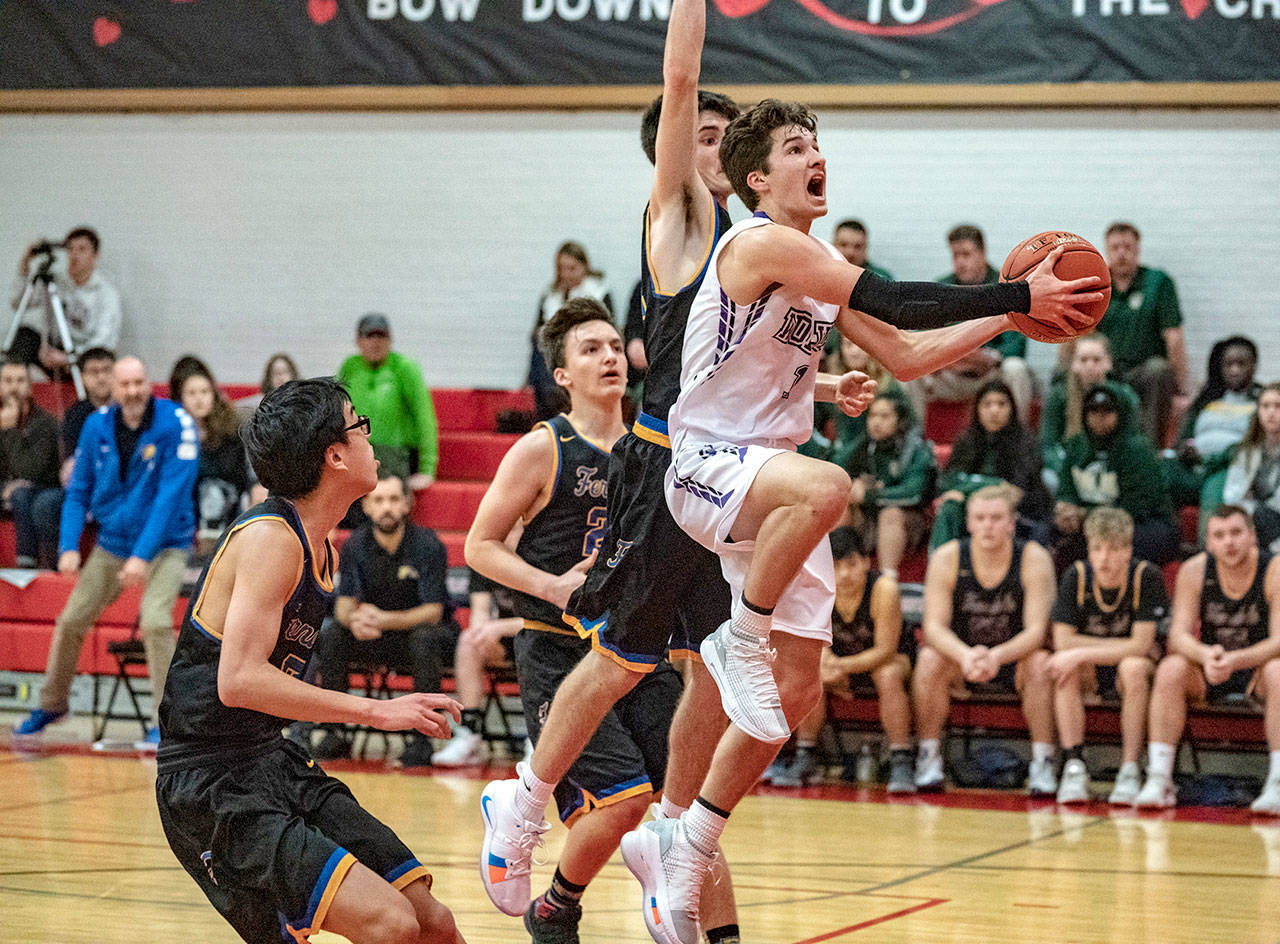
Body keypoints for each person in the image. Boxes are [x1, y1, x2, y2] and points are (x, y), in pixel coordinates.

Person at [627, 99, 1098, 941]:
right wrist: (1019, 285)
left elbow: (908, 354)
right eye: (796, 146)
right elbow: (899, 299)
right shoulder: (758, 242)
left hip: (769, 490)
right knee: (832, 484)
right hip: (706, 467)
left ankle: (684, 842)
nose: (817, 157)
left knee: (794, 694)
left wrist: (1012, 318)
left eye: (818, 144)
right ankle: (741, 634)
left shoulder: (808, 267)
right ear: (757, 179)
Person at [475, 4, 748, 941]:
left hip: (719, 484)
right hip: (620, 549)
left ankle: (687, 889)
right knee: (629, 769)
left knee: (709, 737)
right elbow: (679, 82)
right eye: (704, 138)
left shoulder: (752, 244)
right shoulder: (681, 214)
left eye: (728, 136)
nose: (718, 148)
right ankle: (530, 825)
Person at [154, 377, 465, 943]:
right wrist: (375, 712)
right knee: (391, 923)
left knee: (431, 920)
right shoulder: (272, 538)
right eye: (359, 424)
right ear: (335, 455)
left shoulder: (322, 544)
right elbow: (240, 680)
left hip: (271, 759)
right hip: (212, 783)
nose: (370, 437)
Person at [469, 299, 703, 943]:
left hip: (636, 646)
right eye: (589, 349)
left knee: (687, 795)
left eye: (612, 345)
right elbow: (480, 546)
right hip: (557, 650)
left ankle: (691, 918)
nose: (608, 357)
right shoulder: (543, 447)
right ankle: (556, 904)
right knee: (625, 798)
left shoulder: (652, 445)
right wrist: (553, 586)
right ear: (562, 374)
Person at [12, 356, 197, 747]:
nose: (132, 392)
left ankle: (167, 722)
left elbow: (170, 496)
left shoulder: (175, 422)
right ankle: (53, 702)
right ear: (113, 388)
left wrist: (142, 556)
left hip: (166, 544)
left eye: (139, 383)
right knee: (71, 619)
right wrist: (67, 546)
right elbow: (77, 491)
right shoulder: (96, 426)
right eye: (125, 385)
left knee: (155, 622)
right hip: (114, 542)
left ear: (149, 384)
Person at [909, 485, 1058, 794]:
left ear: (1011, 523)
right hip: (964, 658)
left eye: (996, 518)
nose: (988, 525)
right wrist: (965, 656)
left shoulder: (1034, 558)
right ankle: (928, 755)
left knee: (1041, 662)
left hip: (1014, 657)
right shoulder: (948, 557)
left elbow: (1036, 632)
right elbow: (933, 627)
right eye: (980, 518)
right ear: (969, 523)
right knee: (928, 659)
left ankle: (1043, 761)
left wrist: (996, 656)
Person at [1134, 504, 1280, 815]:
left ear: (1252, 536)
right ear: (1209, 542)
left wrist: (1236, 660)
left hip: (1257, 667)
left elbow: (1279, 641)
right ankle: (1160, 777)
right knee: (1171, 668)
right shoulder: (1195, 570)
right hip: (1212, 665)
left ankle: (1278, 781)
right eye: (1220, 535)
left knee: (1278, 670)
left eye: (1237, 533)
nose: (1229, 542)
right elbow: (1178, 636)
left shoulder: (1274, 569)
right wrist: (1205, 655)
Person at [311, 474, 456, 769]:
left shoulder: (429, 545)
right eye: (378, 500)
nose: (386, 507)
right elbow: (342, 607)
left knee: (424, 636)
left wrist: (383, 619)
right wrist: (355, 622)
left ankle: (421, 739)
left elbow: (433, 611)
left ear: (406, 504)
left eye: (393, 499)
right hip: (375, 636)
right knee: (332, 633)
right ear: (365, 506)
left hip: (422, 639)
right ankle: (334, 730)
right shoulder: (354, 545)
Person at [769, 526, 914, 792]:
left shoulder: (884, 589)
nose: (845, 574)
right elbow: (813, 641)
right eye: (836, 566)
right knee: (811, 673)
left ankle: (901, 757)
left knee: (888, 674)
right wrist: (827, 665)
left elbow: (886, 651)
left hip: (885, 660)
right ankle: (806, 754)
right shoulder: (819, 588)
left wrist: (840, 667)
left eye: (852, 564)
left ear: (866, 562)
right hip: (839, 662)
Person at [1047, 507, 1168, 805]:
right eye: (1097, 549)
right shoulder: (1075, 575)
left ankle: (1129, 768)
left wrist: (1080, 651)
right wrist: (1079, 654)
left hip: (1129, 668)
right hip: (1093, 667)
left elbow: (1141, 645)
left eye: (1114, 549)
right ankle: (1074, 765)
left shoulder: (1145, 576)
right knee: (1065, 666)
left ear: (1128, 550)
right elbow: (1062, 640)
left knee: (1133, 667)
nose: (1104, 558)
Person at [904, 224, 1035, 424]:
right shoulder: (941, 287)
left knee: (1016, 369)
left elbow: (1017, 345)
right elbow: (919, 336)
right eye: (955, 256)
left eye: (966, 255)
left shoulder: (1006, 287)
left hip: (990, 375)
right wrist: (940, 358)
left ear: (983, 254)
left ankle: (1018, 442)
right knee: (908, 373)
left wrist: (987, 358)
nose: (960, 262)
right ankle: (915, 445)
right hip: (950, 374)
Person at [1053, 384, 1180, 569]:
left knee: (1118, 541)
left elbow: (1134, 507)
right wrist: (1065, 509)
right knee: (1047, 535)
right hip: (1090, 525)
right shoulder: (1075, 446)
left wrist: (1084, 516)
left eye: (1107, 411)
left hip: (1143, 524)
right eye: (1093, 411)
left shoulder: (1138, 450)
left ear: (1120, 413)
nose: (1100, 417)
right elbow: (1066, 490)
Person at [1088, 222, 1190, 446]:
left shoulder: (1159, 283)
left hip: (1144, 373)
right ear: (1106, 250)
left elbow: (1174, 338)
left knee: (1158, 369)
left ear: (1138, 249)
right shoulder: (1095, 286)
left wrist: (1181, 389)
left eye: (1127, 247)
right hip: (1108, 371)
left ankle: (1149, 451)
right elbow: (1084, 336)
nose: (1121, 253)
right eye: (1115, 248)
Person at [930, 379, 1050, 549]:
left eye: (1002, 404)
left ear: (1012, 409)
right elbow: (948, 481)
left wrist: (968, 486)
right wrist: (970, 489)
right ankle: (940, 567)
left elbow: (1015, 489)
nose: (995, 411)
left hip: (1019, 509)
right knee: (950, 506)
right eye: (987, 405)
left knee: (992, 509)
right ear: (977, 409)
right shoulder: (965, 440)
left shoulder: (1026, 441)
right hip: (970, 507)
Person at [430, 569, 523, 767]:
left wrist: (498, 627)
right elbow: (479, 615)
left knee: (540, 644)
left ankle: (539, 739)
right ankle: (469, 734)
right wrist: (483, 631)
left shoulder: (542, 551)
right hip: (505, 640)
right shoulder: (485, 555)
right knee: (469, 641)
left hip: (545, 636)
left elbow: (549, 620)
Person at [337, 313, 438, 489]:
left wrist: (427, 469)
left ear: (390, 340)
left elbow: (424, 416)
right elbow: (337, 411)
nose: (375, 342)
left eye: (381, 336)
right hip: (358, 451)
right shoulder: (350, 366)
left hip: (396, 454)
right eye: (369, 336)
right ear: (358, 341)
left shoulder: (404, 367)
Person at [841, 392, 935, 578]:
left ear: (900, 420)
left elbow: (914, 492)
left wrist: (869, 495)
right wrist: (851, 485)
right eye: (873, 415)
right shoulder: (864, 444)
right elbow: (836, 468)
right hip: (869, 520)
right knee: (840, 504)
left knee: (890, 514)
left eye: (884, 416)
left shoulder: (916, 447)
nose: (876, 422)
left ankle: (886, 581)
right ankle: (837, 569)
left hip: (908, 523)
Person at [1164, 335, 1260, 515]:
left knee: (1212, 487)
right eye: (1228, 364)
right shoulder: (1206, 400)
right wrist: (1185, 450)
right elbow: (1182, 439)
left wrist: (1212, 460)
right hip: (1193, 466)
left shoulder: (1262, 401)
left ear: (1253, 365)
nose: (1234, 370)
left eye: (1241, 364)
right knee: (1161, 475)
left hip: (1228, 468)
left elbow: (1254, 445)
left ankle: (1209, 544)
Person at [7, 227, 122, 373]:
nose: (75, 255)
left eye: (82, 249)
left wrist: (68, 358)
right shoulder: (55, 283)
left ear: (95, 255)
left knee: (100, 357)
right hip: (54, 351)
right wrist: (24, 267)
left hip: (84, 358)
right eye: (70, 249)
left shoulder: (106, 293)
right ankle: (13, 386)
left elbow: (104, 342)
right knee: (24, 336)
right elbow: (18, 303)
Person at [1039, 334, 1140, 495]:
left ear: (1108, 362)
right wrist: (1067, 469)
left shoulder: (1125, 396)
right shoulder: (1058, 396)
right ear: (1073, 363)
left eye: (1096, 360)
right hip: (1069, 464)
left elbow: (1133, 438)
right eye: (1083, 360)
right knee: (1048, 478)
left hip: (1113, 464)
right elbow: (1048, 445)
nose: (1090, 365)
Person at [170, 356, 253, 551]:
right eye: (191, 393)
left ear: (213, 394)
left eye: (205, 392)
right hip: (191, 509)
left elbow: (241, 473)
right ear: (181, 398)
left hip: (231, 504)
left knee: (213, 491)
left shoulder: (231, 426)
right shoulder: (175, 433)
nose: (199, 399)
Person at [530, 242, 614, 420]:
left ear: (584, 267)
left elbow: (606, 329)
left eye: (572, 268)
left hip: (585, 350)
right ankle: (548, 410)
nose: (566, 274)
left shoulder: (598, 293)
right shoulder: (551, 295)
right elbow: (539, 330)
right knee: (539, 346)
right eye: (562, 269)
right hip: (555, 352)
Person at [0, 358, 62, 568]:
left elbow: (31, 470)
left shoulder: (44, 423)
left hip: (44, 486)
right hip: (8, 486)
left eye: (20, 381)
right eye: (7, 381)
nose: (14, 387)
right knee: (18, 492)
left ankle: (28, 564)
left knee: (24, 495)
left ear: (30, 386)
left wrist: (8, 431)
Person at [1223, 383, 1280, 552]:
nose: (1271, 412)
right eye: (1265, 406)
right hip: (1255, 521)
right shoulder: (1247, 450)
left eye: (1278, 406)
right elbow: (1232, 496)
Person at [58, 347, 115, 477]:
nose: (101, 378)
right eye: (94, 372)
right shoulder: (74, 415)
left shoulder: (128, 410)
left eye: (107, 370)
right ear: (82, 377)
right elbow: (71, 459)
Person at [236, 351, 301, 419]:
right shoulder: (260, 402)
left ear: (293, 374)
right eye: (276, 372)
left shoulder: (302, 401)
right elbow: (237, 408)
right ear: (269, 377)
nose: (280, 377)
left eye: (284, 371)